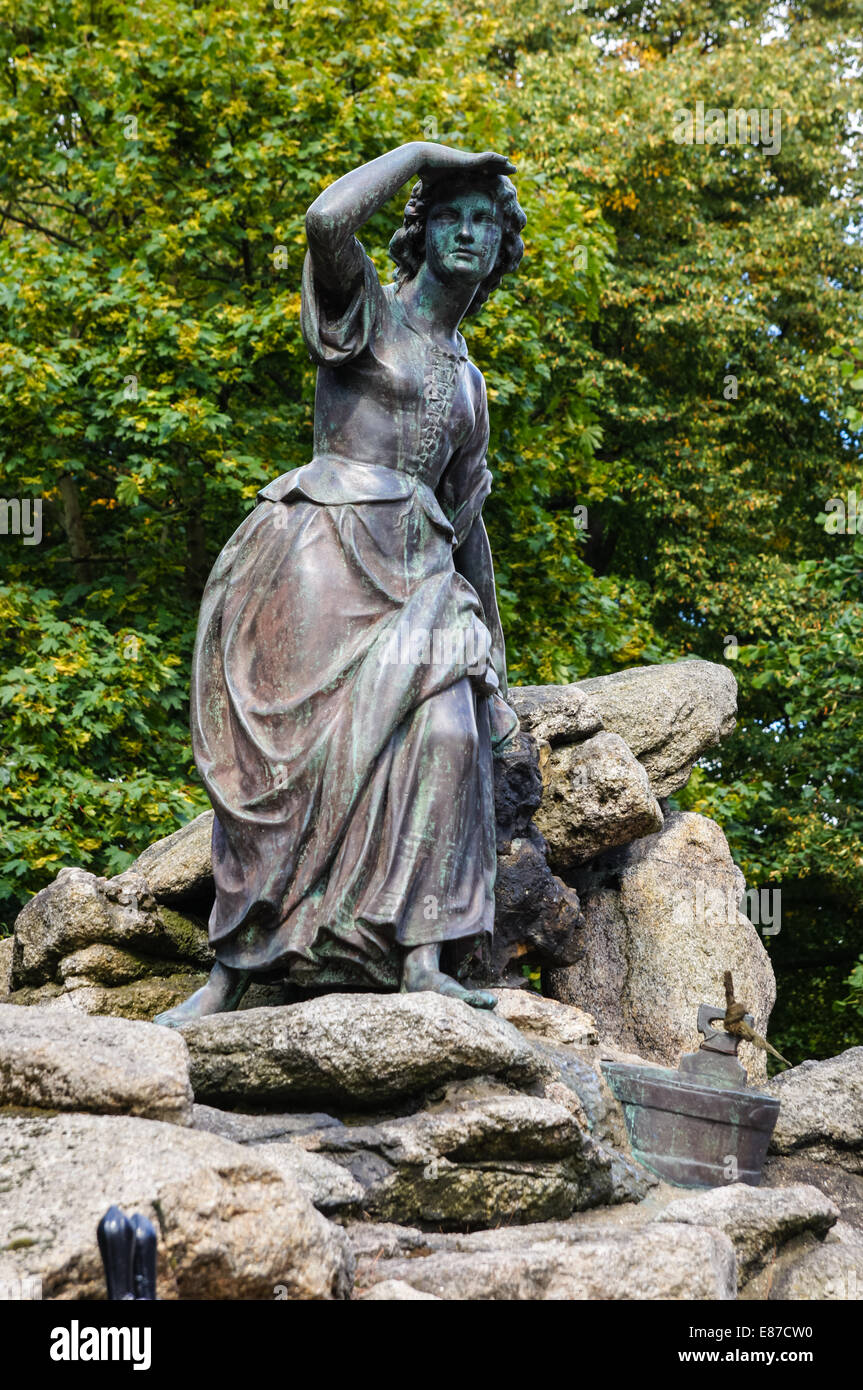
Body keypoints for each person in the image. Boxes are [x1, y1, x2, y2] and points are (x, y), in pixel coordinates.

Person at [155, 142, 525, 1027]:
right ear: (421, 232)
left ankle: (423, 959)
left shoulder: (471, 384)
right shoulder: (367, 309)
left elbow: (467, 523)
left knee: (447, 735)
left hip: (422, 573)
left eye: (485, 222)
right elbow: (325, 220)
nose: (469, 233)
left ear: (502, 246)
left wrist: (498, 671)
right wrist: (425, 153)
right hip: (323, 549)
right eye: (450, 216)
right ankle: (231, 970)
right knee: (285, 765)